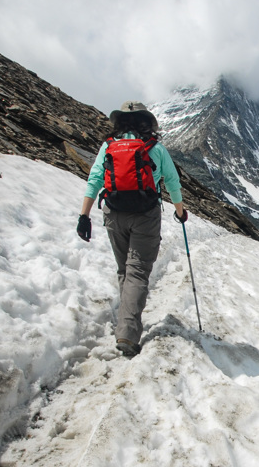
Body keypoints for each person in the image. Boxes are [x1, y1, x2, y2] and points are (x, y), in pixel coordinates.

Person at [77, 101, 187, 357]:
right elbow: (171, 181)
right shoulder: (155, 148)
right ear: (146, 121)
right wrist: (180, 212)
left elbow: (95, 179)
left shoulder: (108, 145)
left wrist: (84, 214)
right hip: (145, 216)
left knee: (124, 269)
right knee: (137, 272)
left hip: (114, 213)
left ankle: (126, 322)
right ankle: (127, 332)